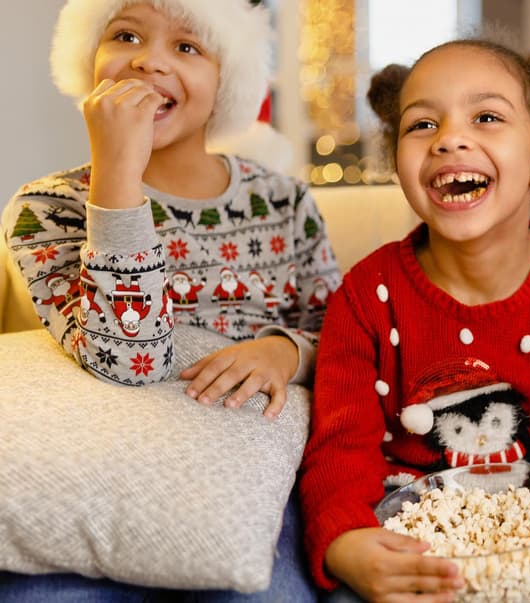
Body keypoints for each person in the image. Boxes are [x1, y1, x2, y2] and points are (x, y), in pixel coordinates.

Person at [0, 0, 340, 600]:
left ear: (226, 80)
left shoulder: (284, 202)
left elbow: (342, 339)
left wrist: (284, 353)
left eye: (187, 47)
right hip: (99, 487)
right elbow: (128, 356)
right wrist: (117, 180)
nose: (148, 61)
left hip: (248, 490)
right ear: (89, 59)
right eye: (125, 34)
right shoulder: (44, 210)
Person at [299, 34, 530, 603]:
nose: (450, 140)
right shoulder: (366, 298)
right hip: (411, 535)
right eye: (422, 125)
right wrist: (346, 540)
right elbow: (339, 447)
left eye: (486, 117)